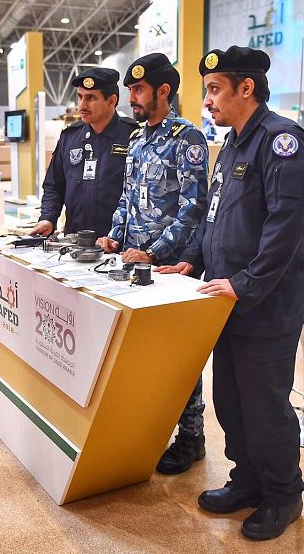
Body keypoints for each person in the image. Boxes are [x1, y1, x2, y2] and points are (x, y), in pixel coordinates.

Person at [158, 45, 304, 540]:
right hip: (223, 300)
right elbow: (215, 216)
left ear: (245, 88)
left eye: (214, 89)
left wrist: (245, 284)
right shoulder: (231, 144)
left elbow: (284, 230)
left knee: (265, 407)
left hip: (264, 306)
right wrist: (194, 260)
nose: (206, 101)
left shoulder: (282, 142)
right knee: (231, 402)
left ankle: (283, 495)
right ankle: (247, 480)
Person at [96, 53, 209, 475]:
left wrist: (156, 252)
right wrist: (114, 235)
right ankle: (148, 426)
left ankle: (192, 437)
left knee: (179, 356)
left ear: (164, 90)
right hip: (132, 260)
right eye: (130, 90)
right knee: (141, 352)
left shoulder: (188, 137)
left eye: (139, 90)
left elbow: (194, 206)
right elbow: (127, 197)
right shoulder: (138, 138)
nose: (132, 98)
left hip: (171, 266)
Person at [30, 67, 137, 238]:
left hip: (118, 242)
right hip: (75, 240)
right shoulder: (70, 137)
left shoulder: (133, 137)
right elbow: (54, 185)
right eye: (80, 97)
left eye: (90, 98)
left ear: (111, 101)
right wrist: (48, 218)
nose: (81, 106)